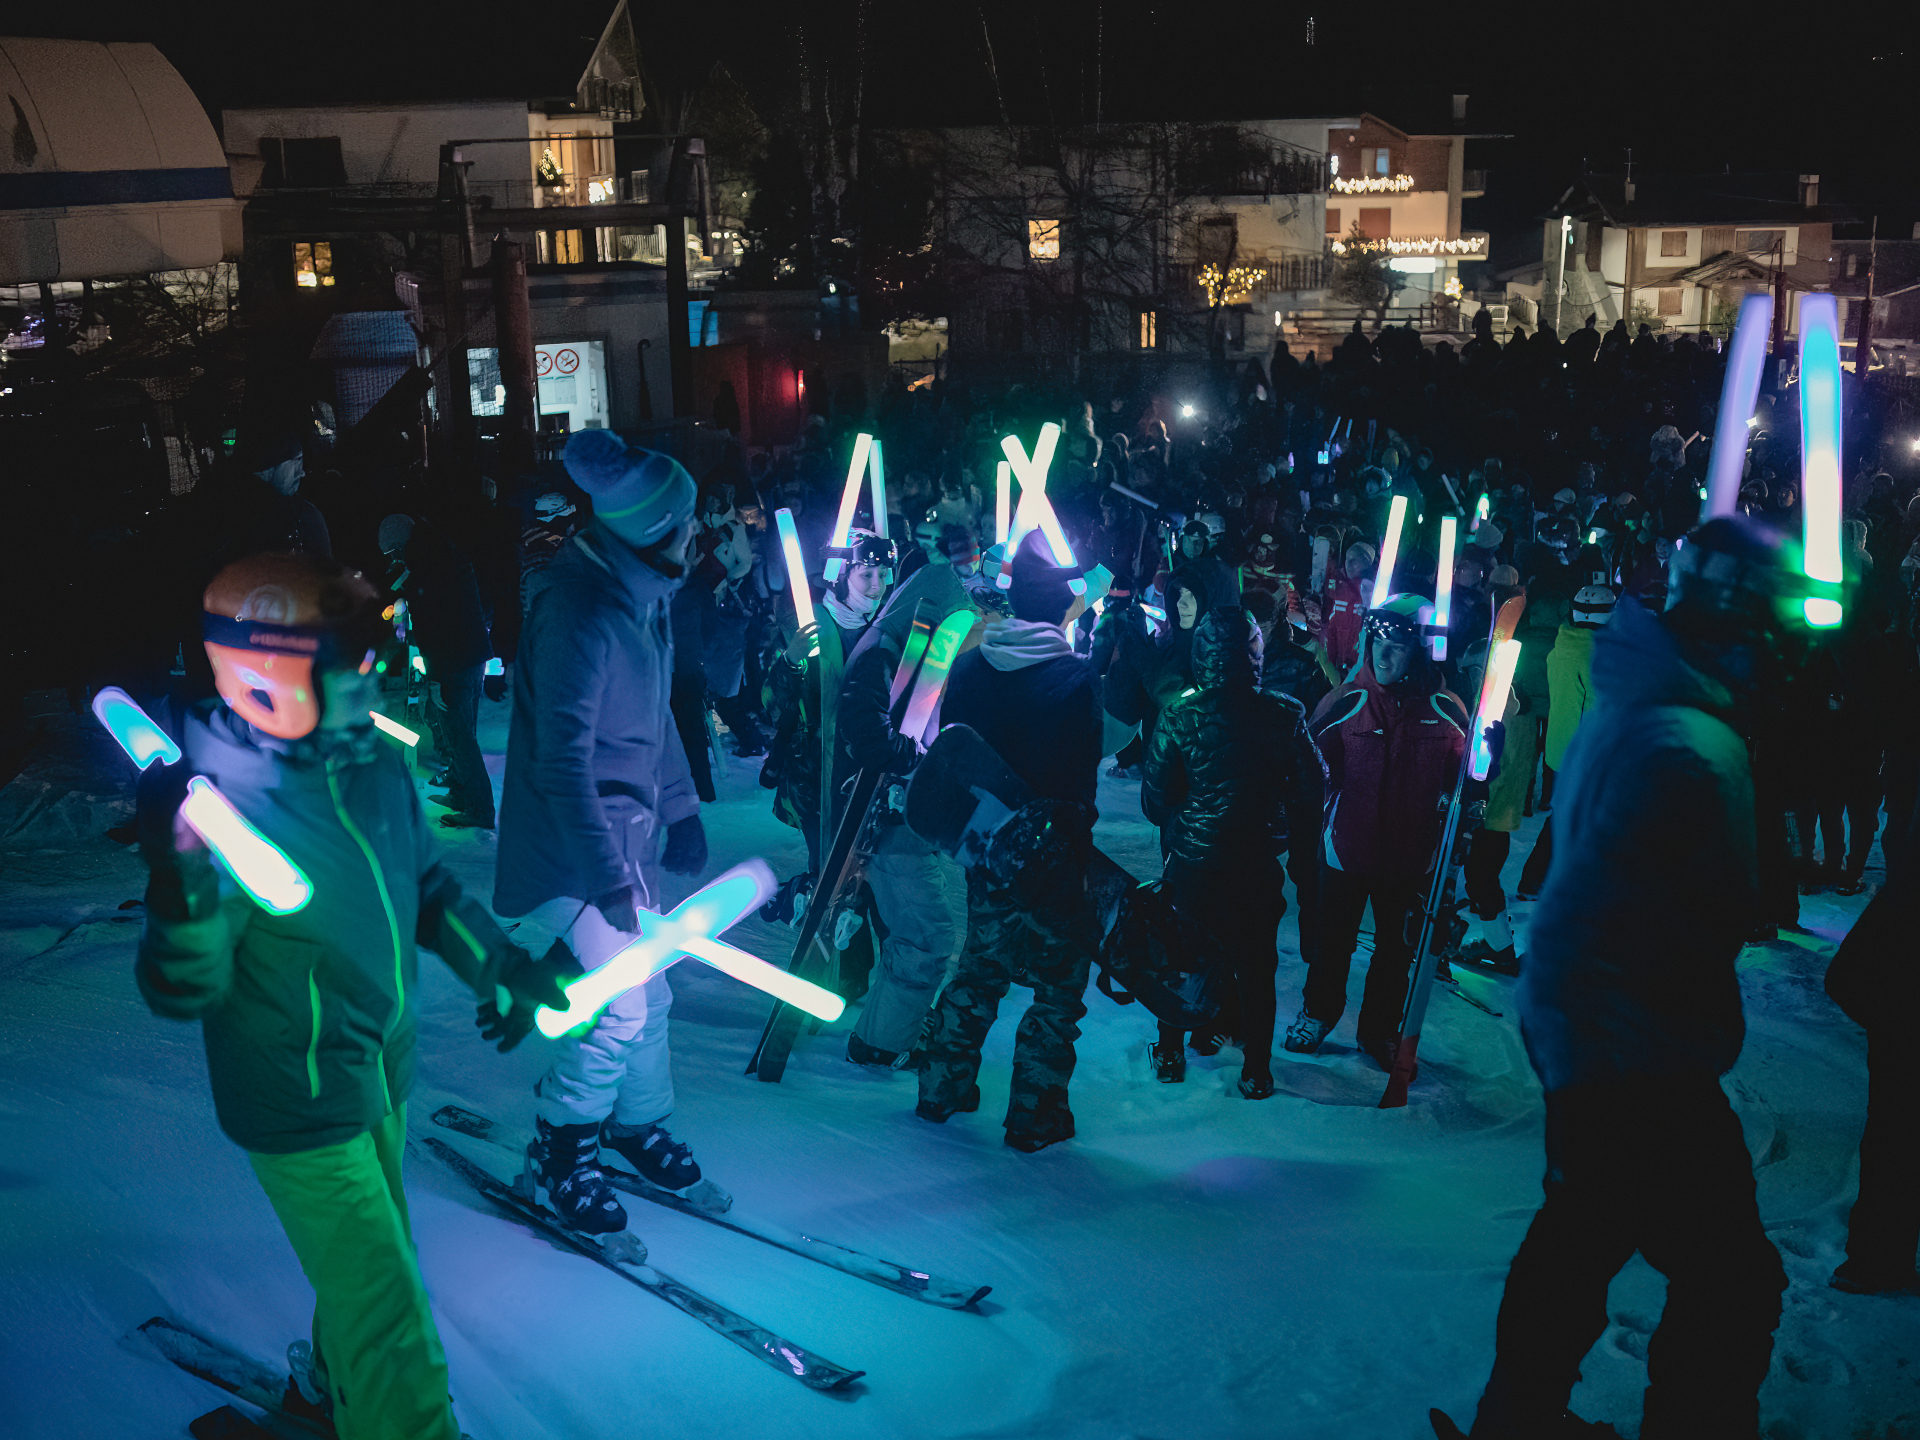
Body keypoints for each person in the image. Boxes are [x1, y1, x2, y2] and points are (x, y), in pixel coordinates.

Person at [135, 552, 570, 1440]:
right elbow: (185, 986)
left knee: (379, 1265)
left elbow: (431, 890)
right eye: (353, 658)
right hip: (296, 1096)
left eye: (380, 647)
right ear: (272, 676)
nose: (381, 670)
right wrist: (180, 872)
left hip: (380, 1064)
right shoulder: (227, 811)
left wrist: (503, 966)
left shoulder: (369, 766)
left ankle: (331, 1397)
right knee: (390, 1314)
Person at [1445, 517, 1793, 1440]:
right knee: (1728, 1275)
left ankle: (1515, 1417)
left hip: (1607, 1041)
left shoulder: (1644, 704)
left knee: (1581, 1241)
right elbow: (1620, 915)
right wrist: (1618, 1053)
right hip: (1637, 1053)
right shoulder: (1683, 742)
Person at [494, 429, 712, 1234]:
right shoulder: (579, 612)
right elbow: (561, 765)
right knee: (618, 1005)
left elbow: (652, 722)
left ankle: (634, 1125)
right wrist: (608, 879)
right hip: (566, 861)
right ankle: (560, 1149)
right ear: (655, 531)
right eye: (688, 522)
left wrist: (682, 807)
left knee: (650, 993)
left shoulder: (636, 599)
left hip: (621, 851)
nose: (699, 534)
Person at [916, 533, 1103, 1152]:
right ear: (1058, 609)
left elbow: (953, 761)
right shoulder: (1075, 680)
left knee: (980, 966)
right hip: (1053, 861)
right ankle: (1035, 1112)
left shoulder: (970, 667)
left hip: (984, 849)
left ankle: (941, 1087)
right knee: (1056, 987)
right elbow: (1080, 789)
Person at [1142, 607, 1324, 1097]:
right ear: (1254, 652)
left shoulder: (1179, 714)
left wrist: (1191, 816)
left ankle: (1171, 1051)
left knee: (1181, 958)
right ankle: (1257, 1070)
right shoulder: (1284, 714)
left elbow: (1155, 800)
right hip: (1255, 863)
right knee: (1256, 965)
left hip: (1194, 864)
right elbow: (1313, 786)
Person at [1284, 594, 1469, 1071]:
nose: (1383, 658)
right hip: (1346, 849)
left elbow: (1464, 781)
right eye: (1376, 645)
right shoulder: (1348, 702)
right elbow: (1305, 771)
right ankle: (1318, 1012)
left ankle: (1379, 1030)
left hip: (1411, 858)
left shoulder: (1447, 712)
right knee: (1333, 942)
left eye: (1398, 648)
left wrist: (1478, 783)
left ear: (1420, 651)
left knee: (1396, 950)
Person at [837, 564, 977, 1068]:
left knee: (918, 933)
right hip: (884, 821)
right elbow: (869, 737)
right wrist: (919, 759)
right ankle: (882, 1044)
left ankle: (882, 1036)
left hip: (897, 819)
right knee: (927, 936)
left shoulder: (894, 652)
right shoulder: (881, 657)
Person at [379, 514, 494, 829]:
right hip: (471, 656)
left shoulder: (428, 570)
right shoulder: (443, 555)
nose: (393, 560)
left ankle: (480, 810)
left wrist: (436, 679)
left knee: (459, 738)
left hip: (454, 664)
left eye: (392, 553)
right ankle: (460, 793)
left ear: (400, 545)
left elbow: (437, 629)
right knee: (461, 733)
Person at [1515, 584, 1614, 901]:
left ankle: (1538, 879)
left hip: (1560, 747)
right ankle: (1542, 880)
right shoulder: (1596, 656)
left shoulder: (1563, 645)